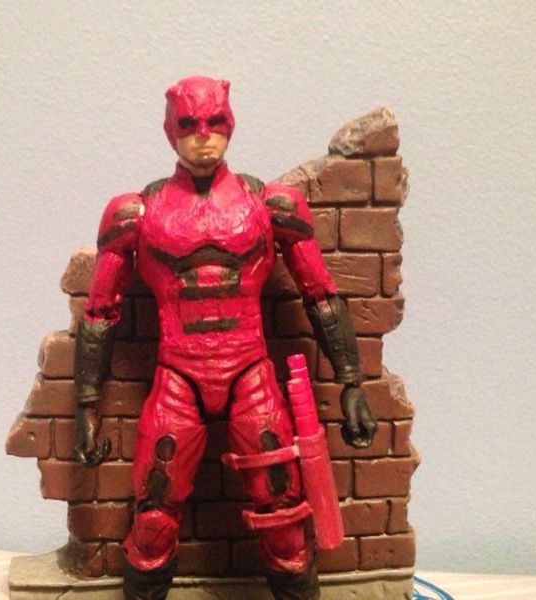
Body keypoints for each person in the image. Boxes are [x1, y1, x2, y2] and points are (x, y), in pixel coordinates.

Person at [73, 75, 377, 600]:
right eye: (188, 124)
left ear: (230, 124)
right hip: (177, 375)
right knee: (153, 519)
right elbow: (100, 312)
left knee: (284, 516)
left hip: (250, 372)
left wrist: (352, 380)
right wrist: (85, 401)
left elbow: (321, 295)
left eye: (215, 121)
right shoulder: (134, 215)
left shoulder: (271, 205)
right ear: (170, 130)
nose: (203, 135)